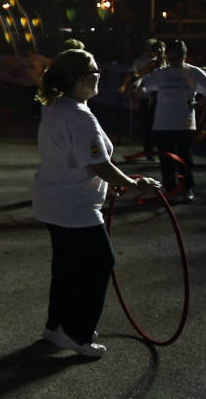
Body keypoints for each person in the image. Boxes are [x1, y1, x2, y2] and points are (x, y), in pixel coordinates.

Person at [32, 49, 164, 358]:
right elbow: (98, 164)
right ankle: (77, 334)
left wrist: (110, 185)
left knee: (67, 265)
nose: (99, 75)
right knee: (99, 263)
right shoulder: (78, 116)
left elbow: (81, 160)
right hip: (73, 206)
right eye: (93, 71)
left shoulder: (58, 106)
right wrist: (132, 183)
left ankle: (56, 327)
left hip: (55, 199)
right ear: (79, 79)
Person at [137, 40, 206, 202]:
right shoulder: (161, 73)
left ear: (185, 55)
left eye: (179, 57)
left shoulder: (193, 72)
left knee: (185, 158)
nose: (175, 60)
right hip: (163, 123)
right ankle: (170, 188)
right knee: (166, 159)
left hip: (185, 123)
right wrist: (138, 84)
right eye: (173, 57)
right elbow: (141, 85)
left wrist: (198, 103)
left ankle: (187, 187)